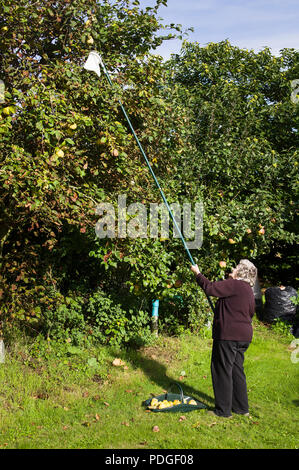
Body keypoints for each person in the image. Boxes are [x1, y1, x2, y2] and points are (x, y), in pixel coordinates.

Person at [191, 259, 257, 418]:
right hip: (244, 336)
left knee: (222, 370)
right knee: (236, 370)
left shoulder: (234, 284)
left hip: (228, 335)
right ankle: (242, 408)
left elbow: (210, 288)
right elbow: (250, 313)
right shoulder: (248, 290)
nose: (233, 269)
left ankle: (223, 411)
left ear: (241, 272)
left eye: (236, 267)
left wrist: (197, 273)